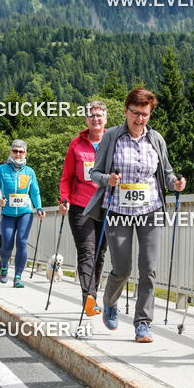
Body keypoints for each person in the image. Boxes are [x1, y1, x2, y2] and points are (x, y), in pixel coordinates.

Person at [85, 88, 185, 342]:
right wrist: (108, 179)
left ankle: (142, 323)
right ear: (126, 111)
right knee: (122, 268)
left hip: (150, 210)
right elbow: (94, 173)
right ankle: (109, 301)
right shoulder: (111, 137)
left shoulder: (156, 139)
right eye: (135, 113)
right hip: (118, 210)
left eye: (145, 115)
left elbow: (166, 173)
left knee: (148, 268)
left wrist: (175, 183)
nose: (140, 119)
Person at [59, 99, 109, 316]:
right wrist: (64, 199)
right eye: (91, 115)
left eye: (99, 115)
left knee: (100, 254)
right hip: (82, 206)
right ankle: (89, 298)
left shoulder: (114, 141)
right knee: (86, 252)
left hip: (108, 206)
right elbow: (66, 178)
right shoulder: (76, 145)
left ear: (105, 118)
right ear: (86, 119)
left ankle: (93, 295)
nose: (95, 119)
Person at [0, 140, 45, 288]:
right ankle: (3, 265)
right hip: (8, 213)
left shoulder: (29, 171)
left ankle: (18, 276)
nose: (18, 154)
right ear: (11, 152)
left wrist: (39, 208)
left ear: (25, 153)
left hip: (25, 212)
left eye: (21, 152)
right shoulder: (2, 169)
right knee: (7, 244)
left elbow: (35, 192)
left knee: (21, 242)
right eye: (15, 151)